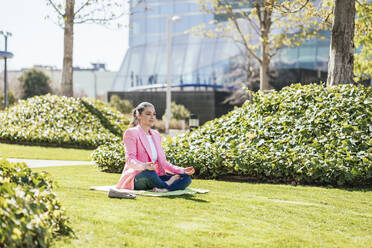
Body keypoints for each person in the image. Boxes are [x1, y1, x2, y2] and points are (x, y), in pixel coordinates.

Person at [115, 102, 195, 193]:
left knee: (186, 177)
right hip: (139, 177)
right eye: (148, 114)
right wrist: (144, 166)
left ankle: (164, 189)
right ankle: (168, 184)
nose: (152, 117)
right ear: (139, 115)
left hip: (156, 176)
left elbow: (164, 163)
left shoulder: (156, 135)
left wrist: (182, 170)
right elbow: (130, 159)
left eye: (154, 114)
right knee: (150, 174)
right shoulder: (131, 133)